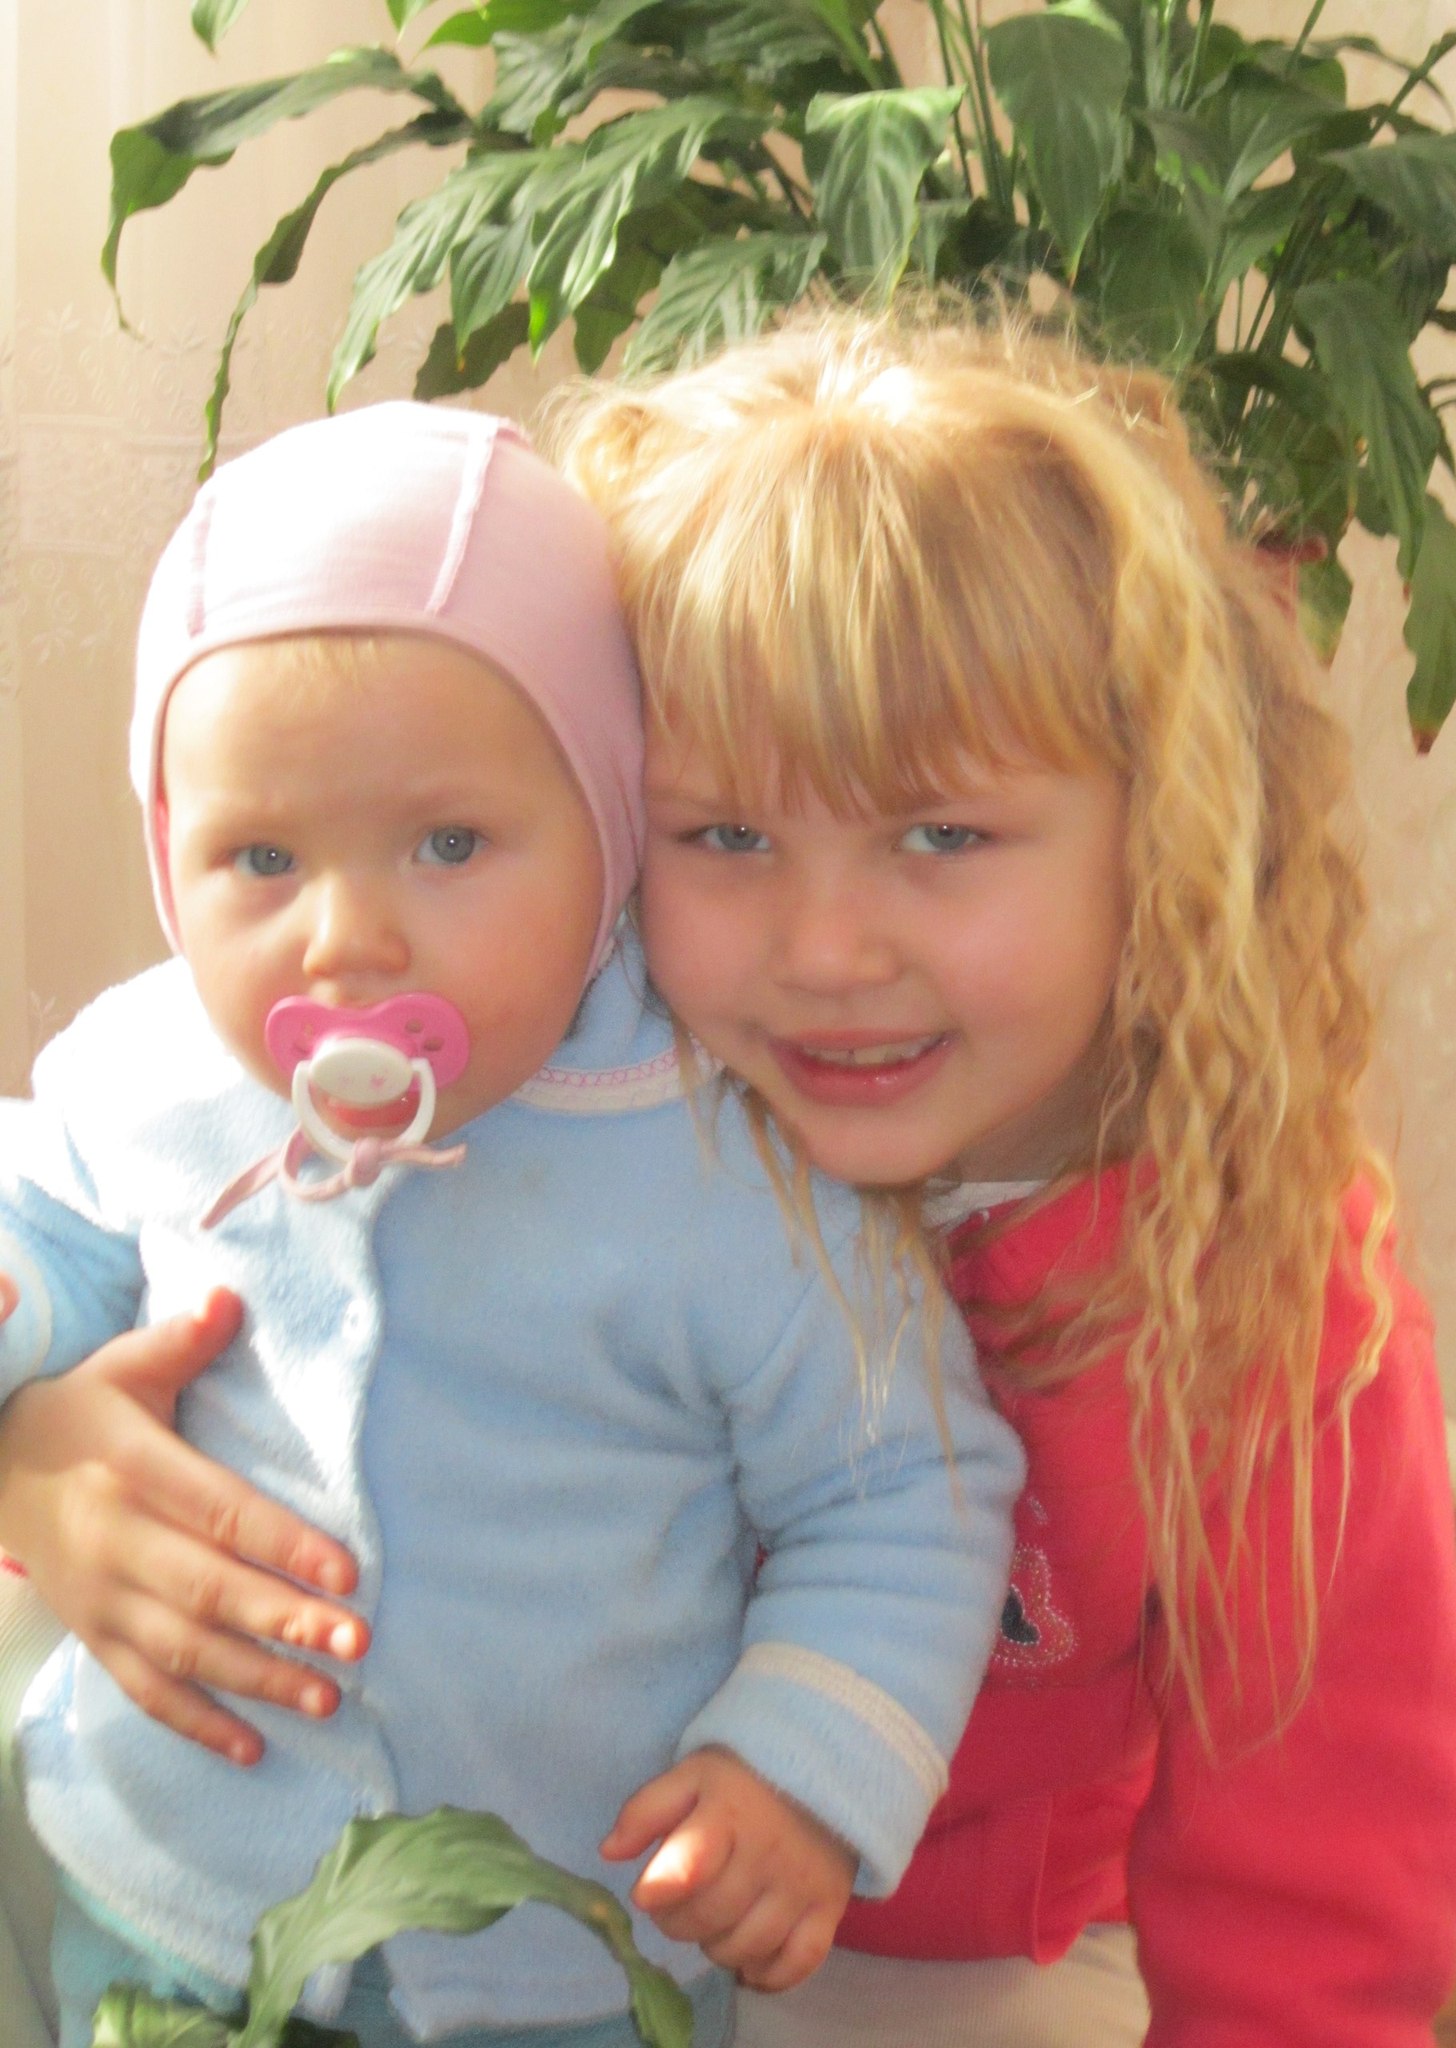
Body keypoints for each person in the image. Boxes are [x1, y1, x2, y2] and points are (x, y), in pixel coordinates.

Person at [0, 399, 1021, 2048]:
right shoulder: (150, 1069)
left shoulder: (728, 1164)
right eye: (260, 857)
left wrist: (799, 1768)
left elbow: (900, 1488)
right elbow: (47, 1223)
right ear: (168, 859)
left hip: (572, 1959)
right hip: (166, 1892)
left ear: (609, 839)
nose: (347, 939)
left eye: (450, 844)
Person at [551, 309, 1456, 2047]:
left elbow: (1314, 1910)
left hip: (949, 1955)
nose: (826, 952)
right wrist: (54, 1445)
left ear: (1163, 835)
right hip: (540, 1886)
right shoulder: (566, 1125)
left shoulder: (1265, 1286)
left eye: (941, 834)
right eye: (728, 834)